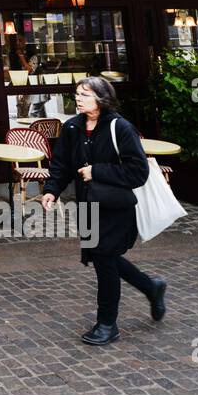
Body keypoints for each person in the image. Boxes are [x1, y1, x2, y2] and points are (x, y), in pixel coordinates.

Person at [40, 76, 166, 346]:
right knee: (103, 258)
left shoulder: (120, 127)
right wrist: (52, 190)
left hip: (114, 207)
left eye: (85, 94)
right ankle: (151, 287)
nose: (78, 98)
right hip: (88, 206)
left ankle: (107, 323)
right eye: (77, 93)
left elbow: (138, 171)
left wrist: (96, 171)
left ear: (102, 98)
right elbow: (61, 165)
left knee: (105, 261)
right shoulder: (72, 127)